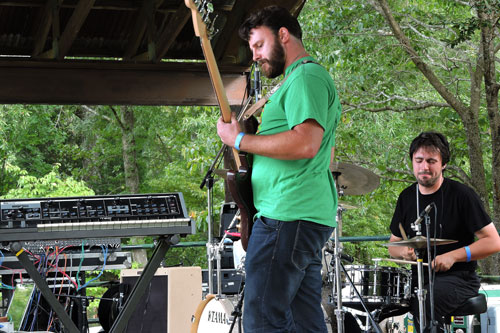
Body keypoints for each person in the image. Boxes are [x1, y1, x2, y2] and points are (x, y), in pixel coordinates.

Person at [216, 5, 342, 333]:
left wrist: (240, 139)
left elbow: (305, 144)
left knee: (261, 319)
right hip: (299, 215)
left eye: (259, 45)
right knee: (303, 321)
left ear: (282, 35)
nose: (255, 55)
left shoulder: (306, 77)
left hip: (288, 216)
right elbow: (321, 153)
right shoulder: (297, 81)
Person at [388, 131, 500, 332]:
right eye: (419, 160)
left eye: (431, 161)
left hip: (459, 278)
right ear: (412, 162)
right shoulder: (406, 197)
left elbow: (493, 241)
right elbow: (393, 245)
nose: (424, 167)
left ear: (444, 164)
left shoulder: (462, 195)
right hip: (417, 279)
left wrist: (454, 256)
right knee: (375, 300)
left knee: (428, 300)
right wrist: (403, 252)